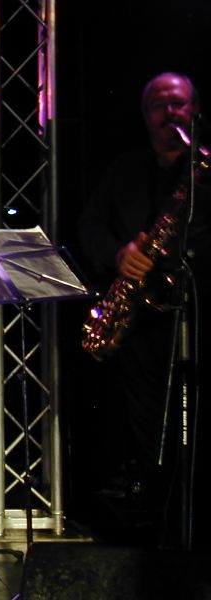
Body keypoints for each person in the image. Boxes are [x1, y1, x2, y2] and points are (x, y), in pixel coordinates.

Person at [77, 72, 211, 547]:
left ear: (195, 109)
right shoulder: (124, 171)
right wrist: (119, 255)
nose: (169, 112)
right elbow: (90, 227)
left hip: (196, 315)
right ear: (144, 115)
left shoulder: (205, 170)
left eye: (178, 103)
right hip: (142, 325)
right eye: (159, 104)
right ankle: (161, 531)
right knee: (150, 432)